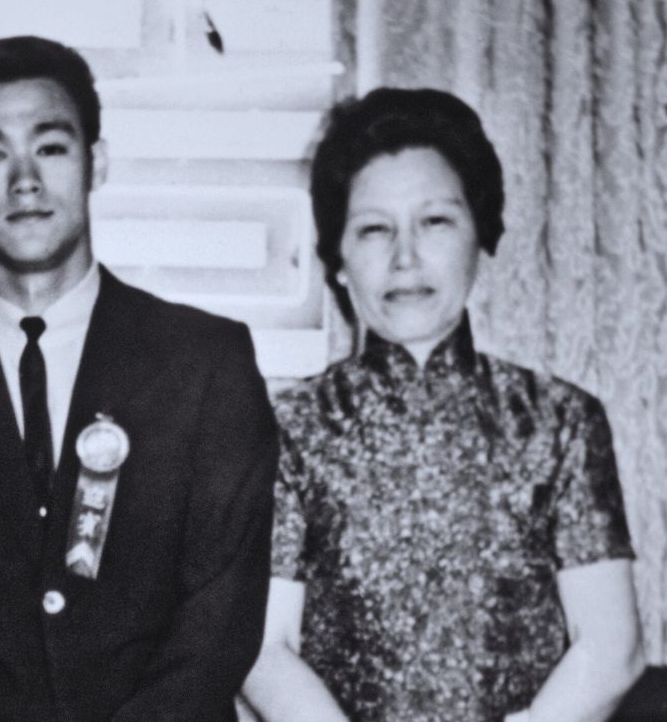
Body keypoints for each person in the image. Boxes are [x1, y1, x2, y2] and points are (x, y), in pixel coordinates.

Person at [0, 36, 279, 721]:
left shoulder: (205, 364)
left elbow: (219, 619)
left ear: (96, 161)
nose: (24, 180)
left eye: (50, 147)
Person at [241, 87, 644, 722]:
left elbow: (612, 648)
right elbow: (265, 648)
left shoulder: (561, 422)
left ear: (481, 234)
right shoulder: (287, 429)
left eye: (435, 221)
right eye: (374, 229)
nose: (405, 258)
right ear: (338, 259)